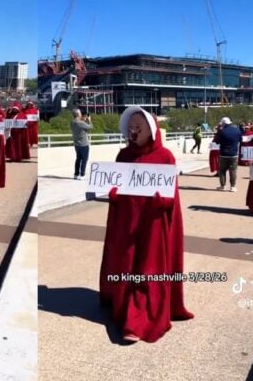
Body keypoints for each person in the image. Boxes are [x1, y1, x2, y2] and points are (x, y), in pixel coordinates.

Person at [99, 105, 194, 344]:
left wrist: (162, 199)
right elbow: (118, 186)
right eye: (131, 127)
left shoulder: (165, 157)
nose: (133, 131)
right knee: (127, 263)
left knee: (148, 267)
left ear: (150, 130)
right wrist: (112, 193)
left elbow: (171, 196)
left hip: (152, 224)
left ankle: (139, 318)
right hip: (127, 222)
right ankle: (123, 303)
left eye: (138, 127)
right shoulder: (123, 155)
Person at [216, 117, 242, 192]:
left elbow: (217, 141)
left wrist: (218, 130)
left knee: (222, 171)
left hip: (223, 154)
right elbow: (240, 140)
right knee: (233, 171)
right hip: (234, 154)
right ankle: (232, 187)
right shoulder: (237, 131)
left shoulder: (222, 131)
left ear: (223, 124)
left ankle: (223, 186)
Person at [70, 109, 92, 180]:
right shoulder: (80, 123)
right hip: (84, 144)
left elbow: (82, 128)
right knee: (84, 160)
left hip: (77, 144)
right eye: (80, 113)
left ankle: (76, 174)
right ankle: (82, 174)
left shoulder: (72, 122)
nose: (81, 114)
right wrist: (89, 120)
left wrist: (84, 120)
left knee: (78, 159)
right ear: (78, 114)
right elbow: (90, 127)